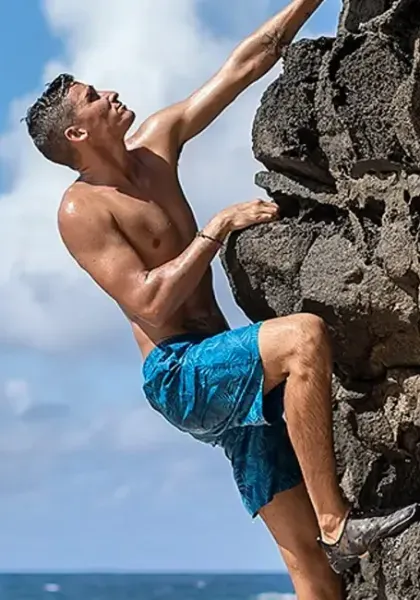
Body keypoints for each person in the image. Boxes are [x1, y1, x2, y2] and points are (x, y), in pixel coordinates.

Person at [25, 0, 418, 597]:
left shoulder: (157, 142)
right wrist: (216, 228)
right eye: (94, 97)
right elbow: (150, 304)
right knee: (303, 338)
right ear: (77, 134)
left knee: (311, 571)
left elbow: (245, 63)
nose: (111, 94)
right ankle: (336, 523)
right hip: (180, 374)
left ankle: (326, 541)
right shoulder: (82, 209)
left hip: (227, 366)